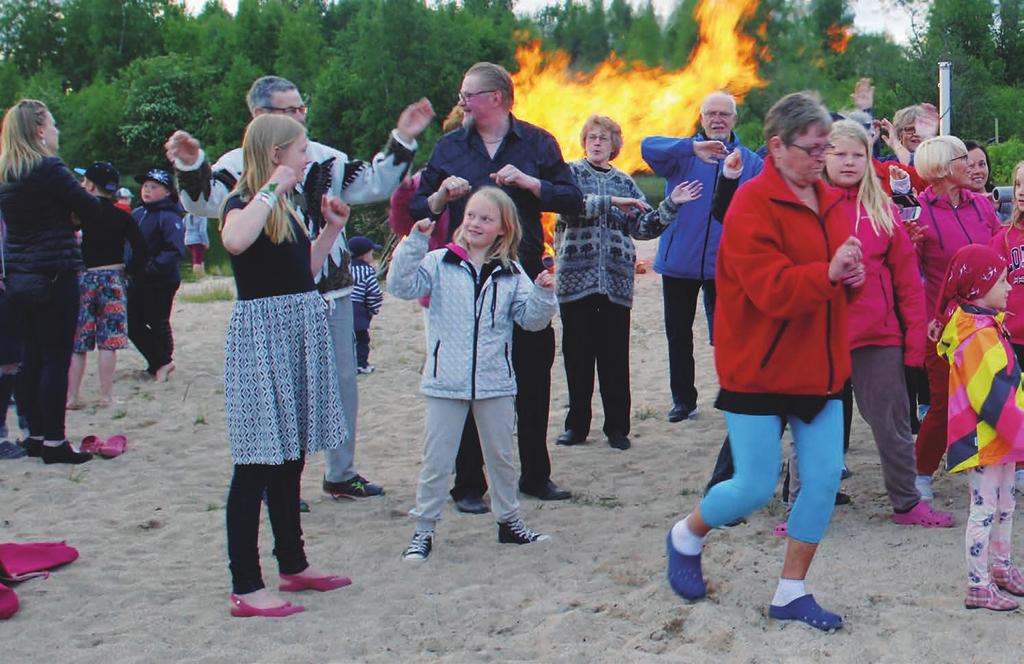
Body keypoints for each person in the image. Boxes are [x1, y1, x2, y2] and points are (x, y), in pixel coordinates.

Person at [167, 75, 434, 499]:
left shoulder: (325, 158)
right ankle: (281, 480)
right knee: (279, 386)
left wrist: (402, 137)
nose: (298, 117)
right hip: (271, 295)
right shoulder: (237, 165)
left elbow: (376, 183)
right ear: (259, 116)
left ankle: (340, 472)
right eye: (287, 110)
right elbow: (202, 202)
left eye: (301, 108)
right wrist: (189, 163)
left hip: (330, 287)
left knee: (342, 379)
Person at [665, 93, 864, 631]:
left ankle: (791, 591)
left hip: (820, 368)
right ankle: (686, 536)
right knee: (752, 486)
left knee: (821, 480)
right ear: (776, 146)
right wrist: (828, 273)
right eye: (813, 148)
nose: (822, 158)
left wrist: (849, 280)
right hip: (758, 365)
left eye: (827, 147)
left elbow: (831, 287)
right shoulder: (749, 205)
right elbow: (771, 290)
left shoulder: (831, 201)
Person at [409, 61, 583, 505]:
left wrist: (530, 182)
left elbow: (572, 199)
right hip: (465, 278)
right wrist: (440, 196)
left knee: (532, 373)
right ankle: (468, 484)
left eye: (468, 95)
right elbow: (417, 207)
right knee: (469, 377)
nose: (461, 101)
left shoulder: (538, 142)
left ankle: (535, 476)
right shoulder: (450, 146)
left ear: (497, 99)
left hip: (520, 271)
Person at [219, 114, 353, 618]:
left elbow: (304, 274)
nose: (307, 159)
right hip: (262, 339)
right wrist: (272, 188)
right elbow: (234, 241)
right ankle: (246, 586)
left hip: (296, 327)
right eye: (299, 151)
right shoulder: (244, 202)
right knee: (256, 462)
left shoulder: (288, 208)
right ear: (276, 156)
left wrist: (331, 230)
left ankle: (293, 565)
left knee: (290, 454)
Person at [390, 187, 558, 561]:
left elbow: (531, 322)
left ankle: (510, 522)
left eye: (486, 218)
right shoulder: (437, 262)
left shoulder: (512, 273)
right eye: (470, 216)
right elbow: (400, 285)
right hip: (444, 381)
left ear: (503, 228)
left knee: (501, 457)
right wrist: (415, 240)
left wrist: (545, 294)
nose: (475, 223)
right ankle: (423, 531)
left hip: (495, 382)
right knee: (436, 460)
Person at [554, 114, 703, 450]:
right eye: (591, 137)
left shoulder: (625, 182)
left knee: (614, 358)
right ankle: (576, 426)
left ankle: (617, 428)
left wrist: (671, 204)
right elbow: (569, 208)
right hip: (575, 280)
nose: (596, 143)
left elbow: (643, 227)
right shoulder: (570, 174)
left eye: (603, 138)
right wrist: (611, 203)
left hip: (616, 283)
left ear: (614, 146)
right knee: (577, 357)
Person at [641, 91, 764, 422]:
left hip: (724, 266)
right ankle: (683, 400)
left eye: (724, 114)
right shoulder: (682, 156)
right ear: (702, 118)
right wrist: (690, 147)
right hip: (679, 262)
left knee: (725, 335)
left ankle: (732, 394)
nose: (718, 120)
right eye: (711, 114)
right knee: (678, 335)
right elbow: (646, 146)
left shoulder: (750, 162)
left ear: (735, 120)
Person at [0, 99, 101, 464]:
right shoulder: (48, 167)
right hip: (55, 272)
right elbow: (91, 208)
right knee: (56, 359)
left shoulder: (7, 172)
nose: (57, 130)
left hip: (19, 275)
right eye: (53, 124)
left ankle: (36, 435)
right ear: (40, 129)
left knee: (31, 358)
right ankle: (56, 443)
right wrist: (71, 217)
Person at [909, 136, 1003, 502]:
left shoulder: (981, 205)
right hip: (942, 326)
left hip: (988, 323)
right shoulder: (918, 211)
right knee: (944, 403)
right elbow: (910, 273)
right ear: (944, 167)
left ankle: (1007, 466)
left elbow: (997, 254)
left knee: (995, 395)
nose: (974, 166)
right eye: (965, 160)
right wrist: (923, 321)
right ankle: (920, 473)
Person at [933, 244, 1024, 611]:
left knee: (1005, 504)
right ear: (977, 289)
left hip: (1001, 438)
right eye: (1001, 281)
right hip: (986, 439)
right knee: (984, 509)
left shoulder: (987, 327)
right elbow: (993, 396)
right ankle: (978, 583)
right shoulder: (978, 336)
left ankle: (1000, 567)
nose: (1008, 287)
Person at [65, 162, 148, 409]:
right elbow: (142, 252)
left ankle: (72, 397)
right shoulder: (123, 216)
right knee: (108, 341)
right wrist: (129, 272)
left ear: (90, 185)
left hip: (83, 280)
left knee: (78, 343)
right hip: (112, 278)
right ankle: (106, 395)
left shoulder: (78, 216)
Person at [128, 167, 185, 382]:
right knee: (132, 321)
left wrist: (150, 267)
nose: (147, 190)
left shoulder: (169, 217)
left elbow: (174, 250)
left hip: (161, 280)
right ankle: (159, 362)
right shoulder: (137, 213)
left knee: (158, 320)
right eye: (145, 186)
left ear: (167, 191)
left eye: (154, 186)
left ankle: (161, 363)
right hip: (137, 278)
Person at [989, 160, 1024, 492]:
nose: (1022, 191)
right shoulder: (1004, 236)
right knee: (1014, 402)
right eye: (1017, 184)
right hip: (1013, 334)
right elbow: (991, 286)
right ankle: (1017, 465)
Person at [348, 236, 383, 374]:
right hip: (359, 309)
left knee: (347, 339)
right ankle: (361, 364)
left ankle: (348, 363)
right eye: (371, 253)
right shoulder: (368, 272)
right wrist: (373, 309)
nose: (373, 255)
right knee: (362, 339)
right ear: (364, 255)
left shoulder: (345, 268)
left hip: (343, 308)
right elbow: (374, 294)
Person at [183, 212, 210, 278]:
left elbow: (183, 226)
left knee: (200, 257)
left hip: (188, 240)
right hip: (197, 240)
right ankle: (197, 276)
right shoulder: (202, 216)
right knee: (197, 260)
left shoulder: (187, 216)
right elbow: (202, 231)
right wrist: (206, 242)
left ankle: (202, 274)